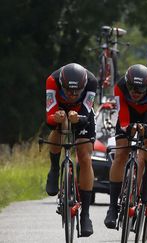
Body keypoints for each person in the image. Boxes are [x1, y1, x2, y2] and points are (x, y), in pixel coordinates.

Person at [104, 64, 147, 229]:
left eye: (140, 90)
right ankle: (113, 207)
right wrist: (127, 128)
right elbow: (122, 115)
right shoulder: (120, 86)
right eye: (132, 88)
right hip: (128, 114)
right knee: (121, 153)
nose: (135, 93)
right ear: (127, 83)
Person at [45, 63, 97, 237]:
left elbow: (87, 113)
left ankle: (86, 215)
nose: (74, 95)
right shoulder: (52, 81)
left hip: (82, 114)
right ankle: (54, 169)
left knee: (85, 156)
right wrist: (56, 117)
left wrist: (79, 117)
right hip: (60, 111)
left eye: (77, 92)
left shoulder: (91, 82)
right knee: (56, 128)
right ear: (62, 84)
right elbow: (49, 116)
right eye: (69, 91)